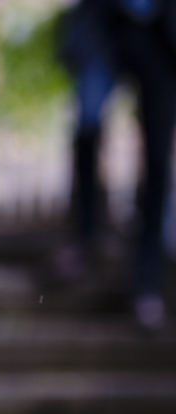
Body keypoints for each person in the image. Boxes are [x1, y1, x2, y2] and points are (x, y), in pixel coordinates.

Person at [59, 0, 176, 329]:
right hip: (103, 24)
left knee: (157, 158)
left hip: (162, 35)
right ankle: (83, 241)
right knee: (86, 128)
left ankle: (147, 281)